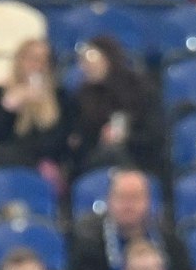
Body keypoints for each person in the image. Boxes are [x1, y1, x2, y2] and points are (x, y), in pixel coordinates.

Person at [67, 168, 192, 270]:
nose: (128, 205)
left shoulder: (170, 242)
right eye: (122, 197)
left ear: (148, 201)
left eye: (135, 197)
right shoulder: (89, 244)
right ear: (109, 200)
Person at [0, 37, 72, 177]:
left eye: (43, 61)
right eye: (32, 59)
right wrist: (8, 107)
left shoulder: (60, 97)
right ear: (19, 61)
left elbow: (58, 140)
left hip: (40, 163)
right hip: (4, 163)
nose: (37, 66)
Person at [67, 36, 161, 178]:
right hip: (95, 164)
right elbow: (80, 140)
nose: (86, 67)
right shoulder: (82, 97)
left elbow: (155, 133)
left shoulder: (140, 90)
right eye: (84, 62)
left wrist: (126, 137)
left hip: (139, 160)